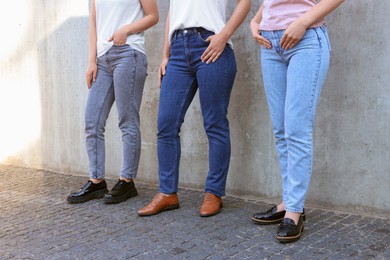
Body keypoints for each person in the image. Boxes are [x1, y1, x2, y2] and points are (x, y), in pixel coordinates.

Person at [138, 0, 251, 217]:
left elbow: (245, 2)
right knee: (166, 124)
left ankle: (214, 193)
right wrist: (165, 54)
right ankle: (167, 193)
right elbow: (174, 10)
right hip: (178, 48)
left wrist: (224, 36)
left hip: (210, 43)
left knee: (214, 123)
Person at [250, 0, 345, 242]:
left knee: (296, 130)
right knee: (281, 130)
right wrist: (256, 21)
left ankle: (295, 211)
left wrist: (303, 21)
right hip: (269, 44)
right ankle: (288, 201)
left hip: (306, 40)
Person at [67, 0, 158, 204]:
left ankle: (127, 181)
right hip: (102, 59)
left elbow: (153, 16)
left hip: (129, 53)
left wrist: (127, 29)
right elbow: (93, 24)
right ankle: (97, 181)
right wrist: (91, 61)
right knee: (92, 121)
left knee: (127, 120)